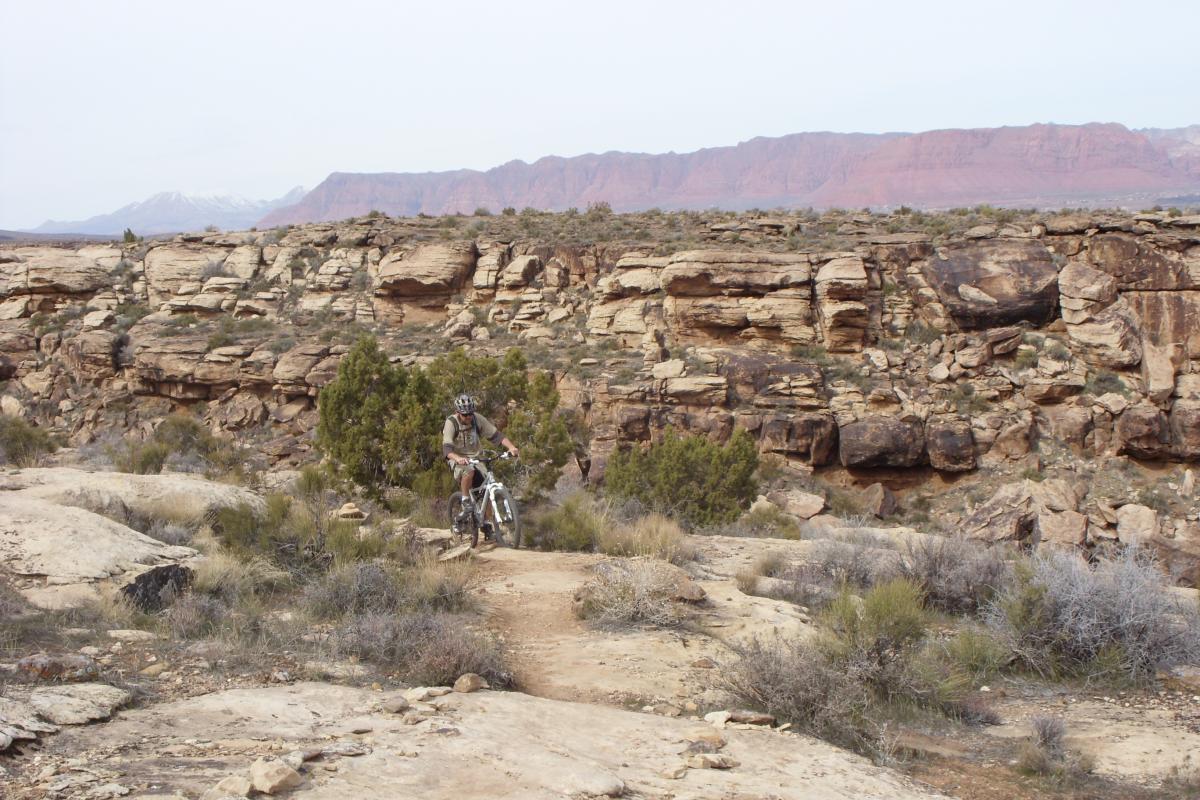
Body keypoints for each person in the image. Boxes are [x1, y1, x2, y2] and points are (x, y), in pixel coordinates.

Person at [443, 393, 519, 520]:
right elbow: (447, 449)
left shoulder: (477, 419)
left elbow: (496, 436)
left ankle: (487, 524)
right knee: (469, 471)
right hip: (457, 458)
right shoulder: (451, 423)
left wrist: (511, 447)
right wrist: (458, 458)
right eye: (464, 414)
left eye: (470, 413)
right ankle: (466, 501)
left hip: (476, 457)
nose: (468, 417)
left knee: (486, 493)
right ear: (457, 412)